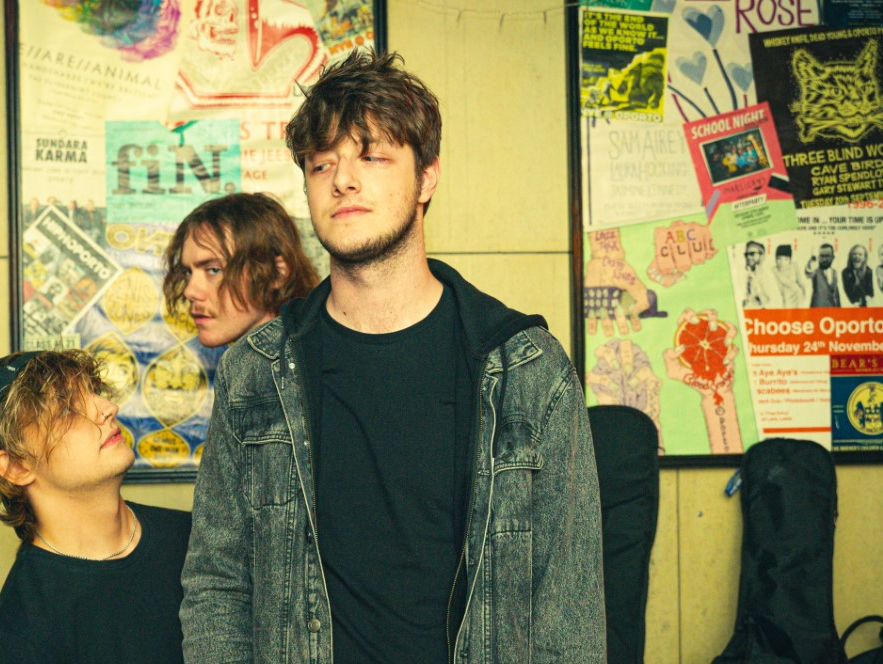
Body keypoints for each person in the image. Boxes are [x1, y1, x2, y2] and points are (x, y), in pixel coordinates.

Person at [180, 51, 606, 664]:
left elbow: (569, 613)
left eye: (372, 156)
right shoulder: (257, 371)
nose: (342, 180)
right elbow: (218, 582)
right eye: (322, 164)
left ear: (427, 176)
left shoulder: (527, 371)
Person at [0, 349, 191, 664]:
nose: (108, 408)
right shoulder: (19, 635)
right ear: (17, 467)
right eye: (67, 409)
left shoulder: (198, 539)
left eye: (93, 392)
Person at [163, 192, 318, 347]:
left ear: (277, 273)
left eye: (214, 270)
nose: (190, 291)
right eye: (188, 272)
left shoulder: (310, 356)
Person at [741, 241, 783, 309]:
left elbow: (771, 303)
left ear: (762, 256)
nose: (748, 257)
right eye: (746, 254)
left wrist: (756, 285)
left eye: (752, 254)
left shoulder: (767, 275)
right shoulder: (749, 275)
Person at [806, 243, 841, 308]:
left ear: (833, 257)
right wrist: (811, 262)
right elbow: (808, 273)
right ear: (818, 257)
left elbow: (836, 293)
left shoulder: (834, 272)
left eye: (827, 256)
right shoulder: (815, 272)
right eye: (822, 256)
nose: (824, 259)